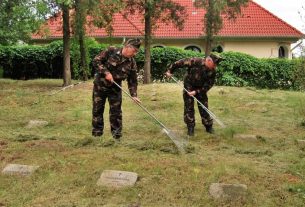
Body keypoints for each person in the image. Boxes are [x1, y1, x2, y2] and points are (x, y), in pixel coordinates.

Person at [92, 38, 142, 140]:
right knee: (98, 110)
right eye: (134, 51)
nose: (135, 54)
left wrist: (134, 95)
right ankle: (97, 134)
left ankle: (116, 136)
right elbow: (96, 60)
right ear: (128, 47)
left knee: (116, 112)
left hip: (115, 88)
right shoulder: (111, 51)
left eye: (137, 52)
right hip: (100, 86)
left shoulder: (132, 62)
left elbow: (132, 80)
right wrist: (106, 72)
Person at [165, 53, 223, 136]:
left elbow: (208, 85)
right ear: (209, 61)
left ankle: (208, 126)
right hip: (189, 86)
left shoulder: (212, 71)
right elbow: (179, 63)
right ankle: (190, 127)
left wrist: (197, 92)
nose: (215, 67)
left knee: (204, 107)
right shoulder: (195, 61)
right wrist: (170, 71)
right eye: (214, 64)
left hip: (201, 89)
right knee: (189, 107)